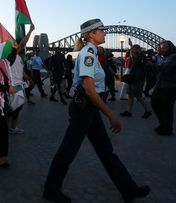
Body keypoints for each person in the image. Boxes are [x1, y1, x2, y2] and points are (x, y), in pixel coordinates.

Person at [43, 19, 150, 203]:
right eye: (101, 30)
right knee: (68, 150)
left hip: (89, 107)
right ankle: (51, 190)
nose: (105, 33)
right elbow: (90, 90)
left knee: (106, 151)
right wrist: (111, 115)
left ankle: (128, 189)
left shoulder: (91, 51)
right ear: (90, 34)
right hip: (83, 108)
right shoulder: (88, 54)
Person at [6, 24, 35, 134]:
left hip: (19, 86)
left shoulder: (19, 58)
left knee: (17, 107)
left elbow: (21, 72)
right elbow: (23, 43)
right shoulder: (12, 57)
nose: (22, 47)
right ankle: (12, 128)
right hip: (13, 87)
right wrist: (30, 31)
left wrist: (29, 79)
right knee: (15, 108)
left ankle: (13, 126)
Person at [151, 40, 176, 136]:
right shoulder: (166, 57)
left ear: (170, 47)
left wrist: (151, 64)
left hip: (169, 87)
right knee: (155, 103)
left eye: (165, 47)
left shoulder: (173, 57)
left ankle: (168, 128)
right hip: (161, 86)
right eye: (161, 48)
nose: (163, 49)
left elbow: (164, 68)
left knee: (167, 108)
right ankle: (163, 124)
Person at [120, 44, 152, 118]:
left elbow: (137, 58)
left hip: (138, 79)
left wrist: (132, 47)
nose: (133, 51)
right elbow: (130, 61)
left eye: (135, 49)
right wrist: (131, 50)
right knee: (130, 95)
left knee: (138, 96)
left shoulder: (141, 56)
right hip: (132, 78)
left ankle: (148, 110)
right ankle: (129, 111)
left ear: (139, 50)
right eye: (133, 50)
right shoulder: (134, 56)